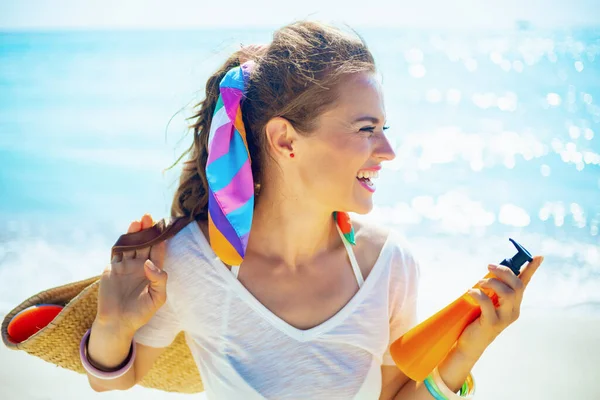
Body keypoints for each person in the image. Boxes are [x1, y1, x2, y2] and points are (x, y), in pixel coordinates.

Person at [83, 21, 543, 399]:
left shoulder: (388, 265)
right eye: (367, 129)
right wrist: (112, 324)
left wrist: (467, 350)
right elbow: (115, 379)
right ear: (284, 140)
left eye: (384, 128)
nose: (388, 150)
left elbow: (392, 395)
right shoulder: (191, 261)